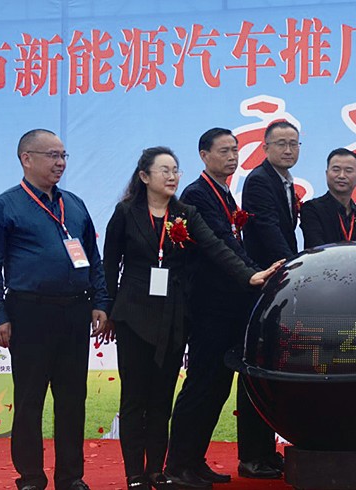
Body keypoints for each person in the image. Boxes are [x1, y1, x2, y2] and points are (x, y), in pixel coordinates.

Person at [102, 146, 282, 490]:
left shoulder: (186, 213)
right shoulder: (126, 213)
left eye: (175, 170)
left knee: (161, 398)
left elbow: (217, 247)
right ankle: (135, 476)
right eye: (164, 171)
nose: (172, 177)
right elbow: (111, 264)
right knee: (135, 398)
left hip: (173, 315)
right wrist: (106, 309)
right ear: (144, 176)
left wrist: (249, 275)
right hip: (133, 316)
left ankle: (157, 471)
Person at [0, 129, 111, 490]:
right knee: (29, 400)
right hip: (29, 313)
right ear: (26, 159)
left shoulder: (75, 204)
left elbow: (93, 259)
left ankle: (71, 477)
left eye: (63, 155)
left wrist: (100, 302)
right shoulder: (3, 206)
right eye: (52, 155)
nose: (60, 163)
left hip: (75, 312)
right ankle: (31, 478)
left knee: (72, 399)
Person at [166, 129, 282, 485]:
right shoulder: (197, 195)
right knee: (202, 384)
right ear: (204, 155)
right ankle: (178, 465)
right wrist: (253, 273)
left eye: (235, 150)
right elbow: (219, 245)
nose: (232, 157)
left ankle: (195, 460)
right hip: (209, 306)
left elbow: (233, 243)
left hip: (230, 305)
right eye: (224, 151)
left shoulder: (226, 193)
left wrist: (255, 273)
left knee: (217, 387)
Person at [242, 120, 300, 267]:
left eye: (293, 144)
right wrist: (291, 266)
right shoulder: (259, 180)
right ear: (266, 148)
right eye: (281, 144)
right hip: (267, 268)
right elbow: (268, 229)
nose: (288, 150)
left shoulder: (285, 180)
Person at [300, 147, 356, 248]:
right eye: (336, 170)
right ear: (326, 174)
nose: (341, 176)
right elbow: (316, 248)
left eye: (348, 171)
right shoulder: (312, 209)